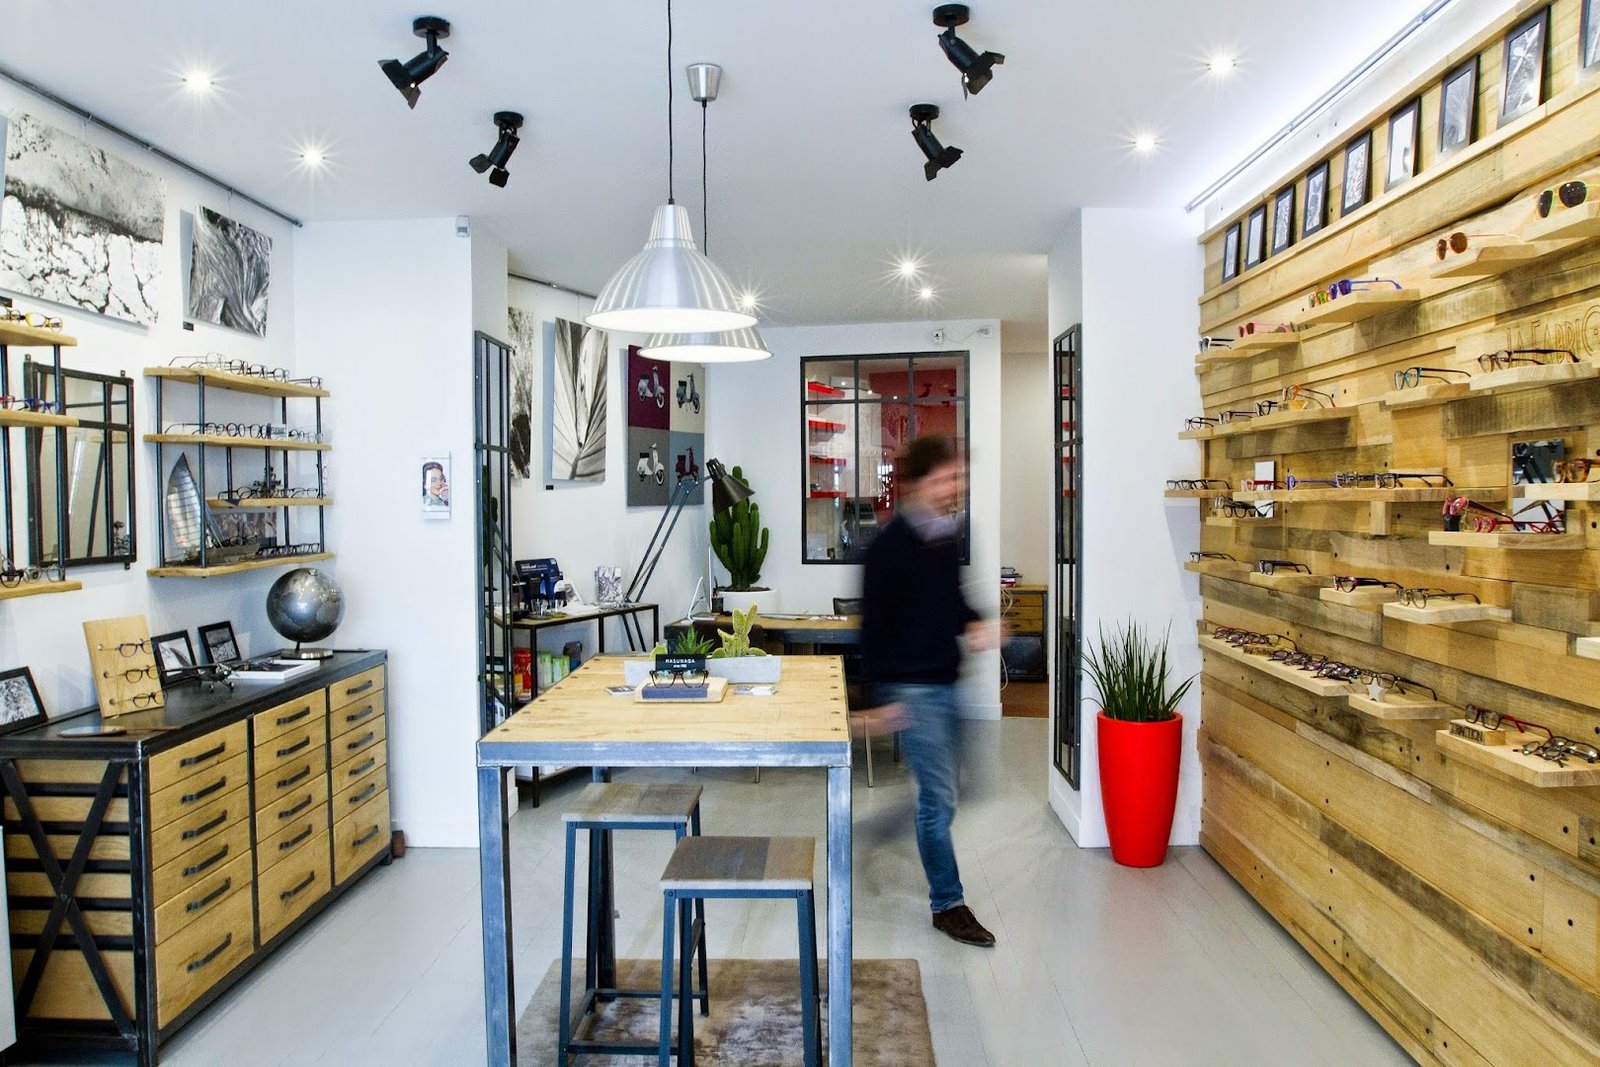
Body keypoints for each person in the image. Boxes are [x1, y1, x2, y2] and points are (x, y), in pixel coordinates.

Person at [860, 434, 1003, 947]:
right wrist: (879, 700)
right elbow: (873, 629)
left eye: (958, 477)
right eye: (945, 478)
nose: (954, 486)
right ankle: (948, 904)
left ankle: (883, 829)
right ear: (918, 483)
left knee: (963, 788)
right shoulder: (888, 548)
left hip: (948, 682)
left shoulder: (946, 536)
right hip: (911, 689)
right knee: (939, 798)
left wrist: (976, 622)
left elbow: (953, 599)